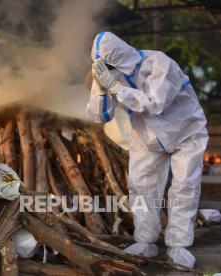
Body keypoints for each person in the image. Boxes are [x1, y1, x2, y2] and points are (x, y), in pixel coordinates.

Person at [86, 31, 207, 269]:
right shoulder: (109, 73)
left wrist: (116, 88)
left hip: (186, 131)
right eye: (105, 66)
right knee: (141, 186)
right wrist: (101, 89)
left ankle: (179, 246)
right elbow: (99, 116)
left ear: (120, 56)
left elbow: (155, 104)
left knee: (184, 186)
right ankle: (145, 241)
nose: (109, 69)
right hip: (146, 136)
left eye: (111, 64)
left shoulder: (159, 63)